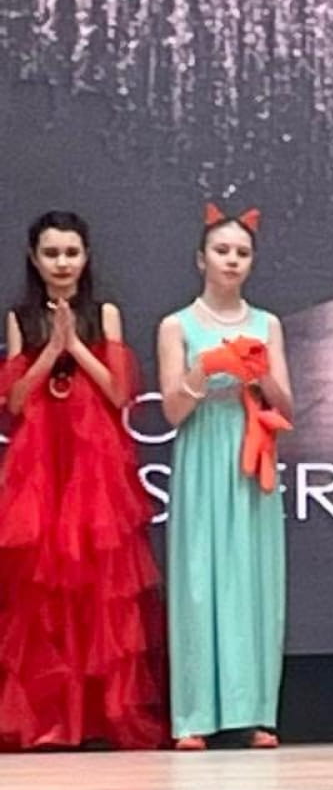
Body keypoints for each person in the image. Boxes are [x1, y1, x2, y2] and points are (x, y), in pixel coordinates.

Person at [0, 210, 165, 749]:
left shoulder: (104, 314)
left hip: (94, 463)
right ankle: (51, 720)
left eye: (71, 252)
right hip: (40, 464)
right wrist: (50, 348)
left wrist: (74, 346)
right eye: (51, 253)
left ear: (86, 256)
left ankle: (99, 716)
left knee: (100, 585)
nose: (62, 263)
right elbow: (15, 402)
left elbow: (119, 393)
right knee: (41, 591)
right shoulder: (21, 318)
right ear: (34, 258)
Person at [158, 205, 293, 750]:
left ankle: (256, 711)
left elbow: (288, 405)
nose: (232, 260)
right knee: (198, 581)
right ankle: (193, 716)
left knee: (254, 579)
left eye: (242, 252)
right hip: (202, 454)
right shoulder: (177, 325)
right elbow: (172, 411)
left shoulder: (267, 324)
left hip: (252, 452)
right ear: (201, 259)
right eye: (222, 251)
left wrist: (260, 374)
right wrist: (206, 367)